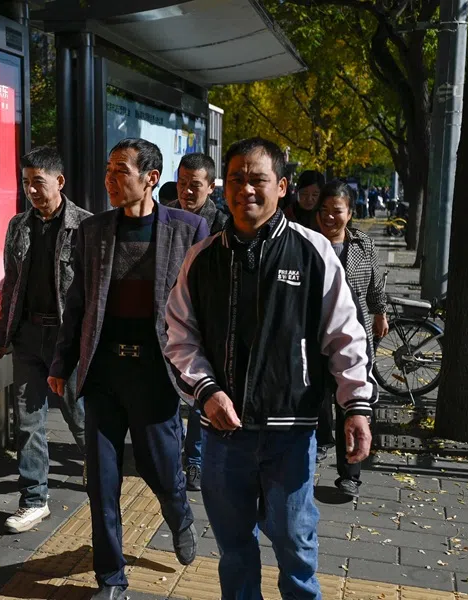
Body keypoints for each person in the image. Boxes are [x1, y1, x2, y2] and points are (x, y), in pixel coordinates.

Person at [164, 137, 375, 600]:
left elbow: (345, 334)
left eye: (257, 179)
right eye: (236, 179)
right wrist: (206, 391)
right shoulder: (203, 259)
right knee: (234, 551)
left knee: (295, 548)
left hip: (291, 434)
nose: (246, 189)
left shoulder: (313, 252)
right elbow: (179, 336)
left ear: (281, 187)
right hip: (223, 436)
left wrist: (355, 406)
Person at [48, 138, 208, 599]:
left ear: (150, 178)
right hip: (103, 373)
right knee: (101, 481)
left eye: (121, 171)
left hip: (156, 374)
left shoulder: (187, 229)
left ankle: (179, 514)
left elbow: (200, 308)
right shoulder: (93, 231)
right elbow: (76, 303)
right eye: (108, 170)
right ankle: (112, 578)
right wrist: (63, 362)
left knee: (162, 470)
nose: (110, 180)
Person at [0, 146, 91, 534]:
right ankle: (34, 500)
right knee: (28, 422)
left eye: (38, 182)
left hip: (68, 340)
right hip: (28, 336)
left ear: (59, 182)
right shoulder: (18, 226)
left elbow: (94, 293)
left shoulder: (86, 228)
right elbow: (11, 286)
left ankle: (97, 470)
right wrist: (1, 336)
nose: (31, 190)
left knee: (78, 416)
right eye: (26, 182)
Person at [315, 180, 388, 497]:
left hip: (355, 336)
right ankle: (318, 444)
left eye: (337, 211)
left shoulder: (363, 245)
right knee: (316, 400)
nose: (329, 217)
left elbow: (375, 287)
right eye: (324, 210)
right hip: (313, 335)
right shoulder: (306, 243)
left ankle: (350, 475)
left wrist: (380, 312)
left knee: (352, 404)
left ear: (351, 212)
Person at [163, 152, 228, 491]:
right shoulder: (166, 215)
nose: (187, 192)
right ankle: (174, 452)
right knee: (168, 390)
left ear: (212, 187)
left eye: (195, 186)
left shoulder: (222, 223)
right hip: (166, 316)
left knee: (199, 389)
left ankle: (196, 460)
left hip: (203, 319)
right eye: (182, 184)